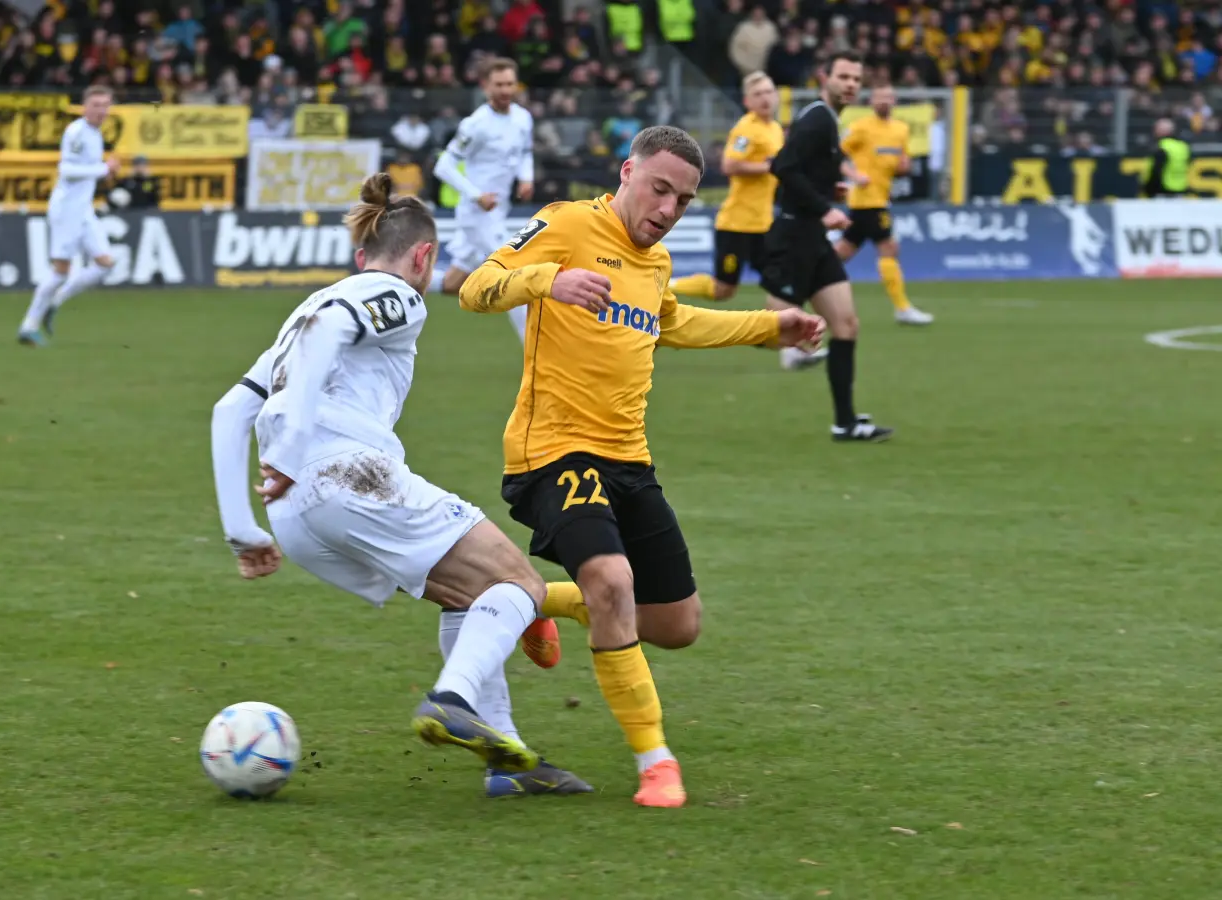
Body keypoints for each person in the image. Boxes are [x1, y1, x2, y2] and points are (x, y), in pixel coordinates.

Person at [458, 125, 826, 807]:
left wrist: (770, 327)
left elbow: (675, 324)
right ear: (626, 172)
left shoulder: (654, 264)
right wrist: (549, 280)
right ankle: (656, 761)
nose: (667, 209)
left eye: (683, 200)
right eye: (659, 188)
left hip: (630, 459)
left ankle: (539, 600)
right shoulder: (568, 224)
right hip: (554, 451)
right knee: (613, 578)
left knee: (677, 625)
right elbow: (477, 287)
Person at [209, 173, 592, 795]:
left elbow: (232, 410)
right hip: (345, 475)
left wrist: (239, 528)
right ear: (424, 256)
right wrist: (299, 441)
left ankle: (506, 763)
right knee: (516, 582)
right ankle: (452, 697)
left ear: (363, 250)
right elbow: (329, 331)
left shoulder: (301, 311)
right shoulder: (395, 294)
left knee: (462, 596)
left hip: (293, 514)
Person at [760, 51, 895, 442]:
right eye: (844, 77)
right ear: (826, 78)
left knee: (846, 325)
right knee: (775, 324)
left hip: (812, 238)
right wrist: (824, 209)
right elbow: (782, 166)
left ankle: (845, 422)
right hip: (794, 235)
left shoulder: (829, 121)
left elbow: (801, 170)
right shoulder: (818, 117)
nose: (851, 84)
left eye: (857, 78)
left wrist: (827, 190)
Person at [429, 57, 535, 343]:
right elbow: (444, 167)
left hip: (498, 212)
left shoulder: (523, 118)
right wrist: (477, 195)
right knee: (512, 274)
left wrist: (527, 178)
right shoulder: (475, 124)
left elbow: (525, 152)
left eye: (510, 83)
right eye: (499, 84)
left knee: (452, 283)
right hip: (477, 216)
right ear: (485, 86)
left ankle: (394, 279)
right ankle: (537, 354)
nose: (505, 90)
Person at [670, 72, 785, 312]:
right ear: (747, 102)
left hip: (763, 223)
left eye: (768, 92)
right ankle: (669, 285)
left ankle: (782, 339)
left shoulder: (775, 128)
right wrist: (769, 167)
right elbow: (729, 165)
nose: (765, 98)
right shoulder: (745, 129)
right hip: (737, 225)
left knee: (784, 281)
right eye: (757, 94)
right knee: (723, 290)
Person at [18, 86, 121, 346]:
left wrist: (104, 172)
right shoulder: (76, 132)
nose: (101, 110)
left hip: (83, 209)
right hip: (66, 210)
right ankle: (29, 325)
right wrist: (102, 169)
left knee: (105, 263)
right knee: (60, 271)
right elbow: (67, 168)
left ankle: (55, 302)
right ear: (85, 106)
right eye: (96, 105)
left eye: (105, 105)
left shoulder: (95, 134)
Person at [835, 84, 934, 326]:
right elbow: (834, 155)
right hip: (866, 200)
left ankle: (805, 279)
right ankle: (902, 308)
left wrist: (903, 167)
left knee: (843, 252)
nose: (885, 101)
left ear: (895, 101)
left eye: (889, 97)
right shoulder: (860, 127)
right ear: (871, 101)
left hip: (879, 198)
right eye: (880, 97)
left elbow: (902, 161)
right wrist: (854, 175)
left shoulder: (900, 129)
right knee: (888, 248)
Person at [1142, 118, 1191, 199]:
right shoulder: (1183, 146)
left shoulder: (1162, 147)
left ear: (1162, 130)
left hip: (1162, 191)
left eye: (1156, 128)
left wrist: (1149, 190)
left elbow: (1156, 171)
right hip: (1180, 190)